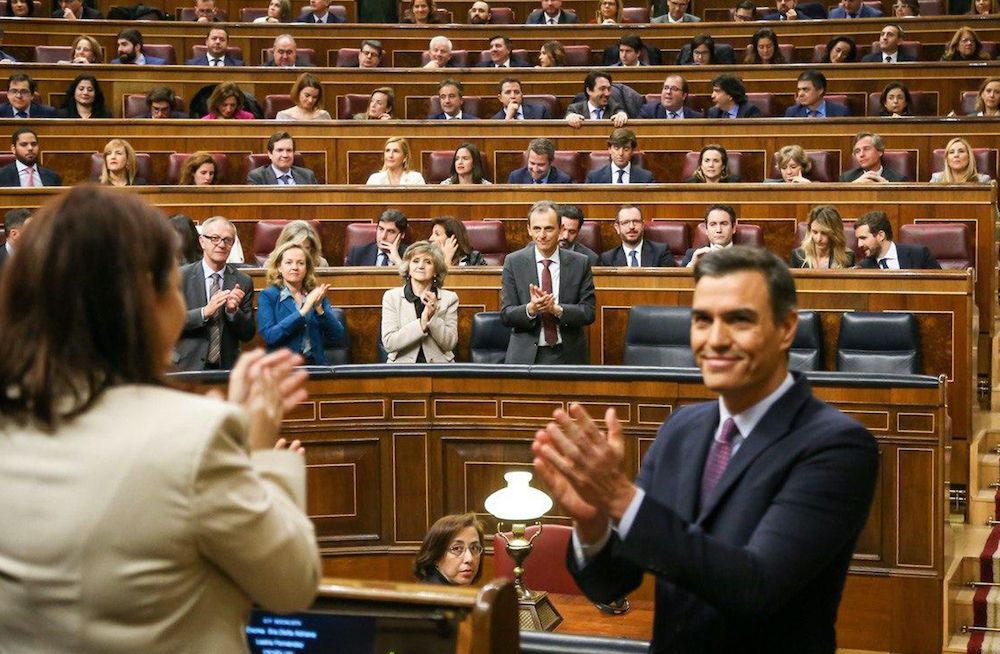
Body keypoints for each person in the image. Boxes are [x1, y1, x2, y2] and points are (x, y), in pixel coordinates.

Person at [0, 186, 320, 652]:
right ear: (140, 305)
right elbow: (292, 584)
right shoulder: (198, 435)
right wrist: (256, 455)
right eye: (172, 288)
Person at [531, 246, 879, 653]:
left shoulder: (837, 446)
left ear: (786, 328)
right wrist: (593, 523)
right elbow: (612, 583)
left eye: (738, 320)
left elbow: (755, 588)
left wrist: (621, 498)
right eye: (702, 320)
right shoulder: (683, 428)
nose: (715, 339)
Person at [500, 200, 595, 365]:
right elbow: (506, 314)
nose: (542, 235)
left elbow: (588, 312)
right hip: (525, 358)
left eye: (548, 228)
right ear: (529, 229)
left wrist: (556, 310)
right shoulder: (513, 262)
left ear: (560, 229)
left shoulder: (580, 263)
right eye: (537, 228)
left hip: (568, 356)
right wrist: (531, 309)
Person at [175, 216, 255, 370]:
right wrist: (204, 312)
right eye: (215, 238)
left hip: (225, 368)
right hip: (187, 367)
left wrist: (233, 312)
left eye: (227, 240)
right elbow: (169, 322)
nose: (221, 244)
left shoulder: (243, 281)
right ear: (202, 242)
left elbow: (248, 334)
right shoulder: (180, 277)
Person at [257, 241, 345, 364]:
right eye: (288, 262)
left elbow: (338, 336)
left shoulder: (315, 294)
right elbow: (270, 336)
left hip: (316, 368)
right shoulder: (268, 296)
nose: (295, 267)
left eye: (300, 263)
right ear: (279, 267)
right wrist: (303, 311)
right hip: (282, 369)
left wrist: (319, 309)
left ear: (307, 268)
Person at [381, 241, 459, 363]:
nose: (421, 266)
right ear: (408, 268)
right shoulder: (392, 297)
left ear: (435, 271)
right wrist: (421, 325)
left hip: (439, 368)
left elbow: (450, 343)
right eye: (416, 261)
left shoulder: (449, 298)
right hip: (402, 369)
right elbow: (389, 343)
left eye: (428, 262)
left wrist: (433, 317)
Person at [413, 514, 485, 585]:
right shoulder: (432, 594)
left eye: (474, 548)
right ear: (436, 556)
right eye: (457, 548)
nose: (469, 559)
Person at [855, 211, 940, 269]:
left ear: (881, 235)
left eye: (863, 238)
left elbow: (941, 286)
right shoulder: (864, 267)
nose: (859, 244)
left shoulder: (919, 255)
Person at [598, 205, 675, 267]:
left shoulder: (661, 252)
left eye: (636, 221)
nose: (631, 226)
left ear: (642, 225)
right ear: (617, 228)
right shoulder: (608, 258)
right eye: (626, 222)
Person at [585, 128, 655, 184]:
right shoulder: (594, 178)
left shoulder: (646, 178)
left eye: (626, 149)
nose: (621, 153)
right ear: (609, 149)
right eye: (616, 148)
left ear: (632, 151)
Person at [247, 131, 318, 185]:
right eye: (280, 150)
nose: (285, 155)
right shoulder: (257, 177)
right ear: (270, 154)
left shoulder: (308, 176)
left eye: (289, 150)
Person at [346, 209, 411, 267]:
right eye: (381, 229)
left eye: (391, 231)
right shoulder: (357, 254)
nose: (383, 237)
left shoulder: (410, 256)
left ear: (402, 235)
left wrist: (397, 260)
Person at [840, 132, 908, 182]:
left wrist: (887, 187)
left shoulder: (898, 179)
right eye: (857, 151)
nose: (861, 154)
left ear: (880, 151)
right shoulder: (846, 178)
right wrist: (853, 186)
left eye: (866, 149)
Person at [784, 70, 850, 117]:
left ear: (820, 90)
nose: (800, 94)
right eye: (799, 90)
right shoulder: (792, 113)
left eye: (805, 89)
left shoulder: (841, 112)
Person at [507, 137, 572, 184]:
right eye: (532, 163)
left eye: (540, 165)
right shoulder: (516, 178)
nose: (535, 169)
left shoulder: (563, 181)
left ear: (550, 162)